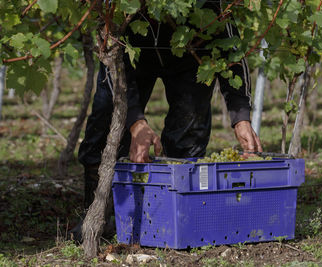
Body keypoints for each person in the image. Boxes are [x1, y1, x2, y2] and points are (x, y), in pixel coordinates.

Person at [72, 1, 262, 239]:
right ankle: (96, 215)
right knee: (104, 128)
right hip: (131, 51)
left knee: (187, 140)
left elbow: (231, 51)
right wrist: (136, 123)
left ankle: (172, 217)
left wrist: (240, 117)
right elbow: (110, 59)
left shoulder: (210, 5)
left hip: (191, 53)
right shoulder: (120, 7)